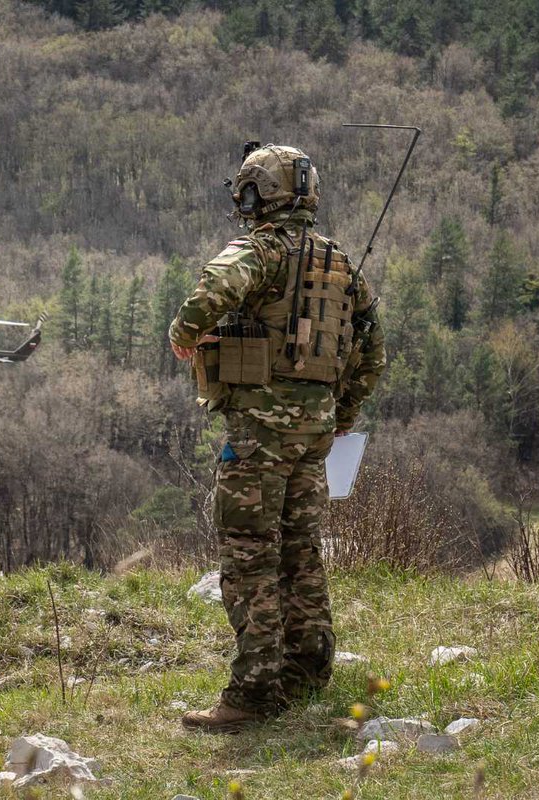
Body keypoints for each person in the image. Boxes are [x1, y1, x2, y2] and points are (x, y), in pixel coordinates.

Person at [168, 143, 386, 732]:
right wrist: (342, 412)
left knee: (248, 556)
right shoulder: (339, 263)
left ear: (257, 194)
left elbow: (207, 297)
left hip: (259, 431)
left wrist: (184, 332)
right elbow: (372, 348)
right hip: (315, 433)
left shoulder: (259, 250)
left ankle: (255, 691)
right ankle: (308, 668)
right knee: (301, 550)